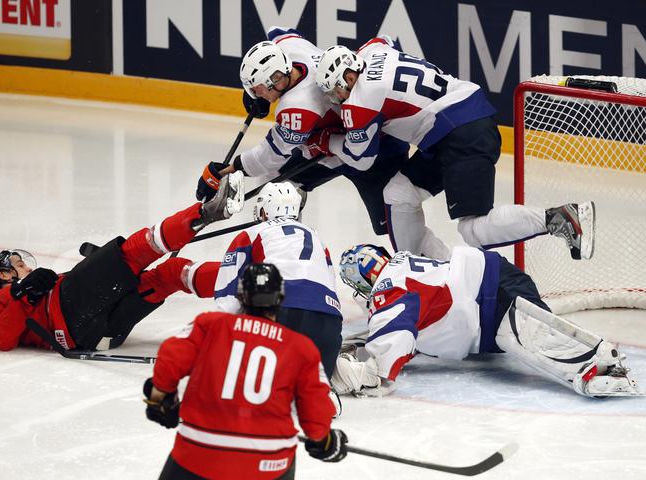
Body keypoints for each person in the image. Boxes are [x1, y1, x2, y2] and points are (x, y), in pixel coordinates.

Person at [311, 39, 595, 261]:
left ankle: (559, 217)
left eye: (336, 91)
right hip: (453, 127)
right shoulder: (373, 51)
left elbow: (361, 159)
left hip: (459, 132)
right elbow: (381, 40)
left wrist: (326, 142)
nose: (337, 100)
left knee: (473, 229)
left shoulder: (358, 102)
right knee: (398, 194)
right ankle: (422, 273)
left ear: (349, 77)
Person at [195, 27, 449, 256]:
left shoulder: (298, 107)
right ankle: (286, 257)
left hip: (375, 148)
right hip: (331, 146)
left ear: (276, 80)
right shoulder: (292, 50)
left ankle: (438, 270)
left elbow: (269, 156)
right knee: (276, 188)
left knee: (396, 225)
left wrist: (228, 170)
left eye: (258, 89)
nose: (256, 96)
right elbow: (280, 31)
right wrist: (258, 93)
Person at [0, 173, 244, 352]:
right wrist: (22, 294)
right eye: (19, 265)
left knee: (172, 274)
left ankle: (247, 285)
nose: (27, 268)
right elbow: (0, 338)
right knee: (132, 252)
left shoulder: (38, 286)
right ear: (4, 274)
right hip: (71, 320)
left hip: (104, 333)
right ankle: (208, 211)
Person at [331, 244, 641, 398]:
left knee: (526, 337)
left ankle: (600, 364)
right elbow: (413, 330)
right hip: (495, 283)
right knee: (520, 334)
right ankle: (596, 361)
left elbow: (385, 361)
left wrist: (357, 373)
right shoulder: (402, 267)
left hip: (491, 299)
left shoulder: (389, 290)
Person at [143, 263, 348, 480]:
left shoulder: (210, 324)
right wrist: (325, 442)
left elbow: (170, 358)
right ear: (280, 299)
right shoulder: (301, 348)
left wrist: (160, 399)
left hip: (199, 454)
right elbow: (316, 413)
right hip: (268, 463)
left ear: (241, 295)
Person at [214, 181, 342, 379]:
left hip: (281, 314)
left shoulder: (251, 234)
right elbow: (331, 285)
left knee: (259, 385)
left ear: (265, 211)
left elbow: (228, 296)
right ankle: (326, 391)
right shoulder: (317, 239)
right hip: (329, 324)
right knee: (312, 386)